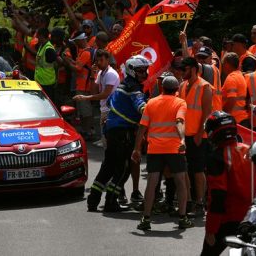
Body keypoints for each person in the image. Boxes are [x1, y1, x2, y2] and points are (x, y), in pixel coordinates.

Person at [86, 55, 150, 212]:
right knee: (123, 168)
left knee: (108, 166)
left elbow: (109, 102)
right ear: (131, 71)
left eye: (145, 70)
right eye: (141, 71)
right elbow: (141, 106)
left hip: (112, 130)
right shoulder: (133, 88)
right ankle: (111, 201)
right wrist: (154, 107)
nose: (144, 74)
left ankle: (93, 200)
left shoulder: (123, 85)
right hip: (122, 133)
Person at [133, 75, 194, 231]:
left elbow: (142, 128)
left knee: (152, 183)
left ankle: (146, 218)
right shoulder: (180, 102)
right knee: (181, 182)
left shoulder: (151, 103)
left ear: (162, 88)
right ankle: (182, 217)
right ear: (176, 90)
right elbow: (179, 122)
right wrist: (182, 140)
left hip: (155, 149)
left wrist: (137, 149)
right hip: (174, 149)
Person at [202, 111, 256, 255]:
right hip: (254, 216)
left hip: (228, 219)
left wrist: (211, 229)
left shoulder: (217, 157)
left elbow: (217, 195)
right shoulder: (250, 150)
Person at [178, 57, 213, 214]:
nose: (181, 72)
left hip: (198, 136)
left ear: (192, 69)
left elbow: (206, 114)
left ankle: (200, 202)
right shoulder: (182, 85)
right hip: (184, 136)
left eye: (184, 69)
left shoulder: (204, 86)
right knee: (186, 170)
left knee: (198, 171)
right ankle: (190, 200)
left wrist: (200, 133)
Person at [72, 49, 119, 148]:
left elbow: (104, 94)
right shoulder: (101, 73)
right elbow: (94, 92)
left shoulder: (110, 73)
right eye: (97, 61)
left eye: (101, 60)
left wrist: (84, 98)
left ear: (107, 60)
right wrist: (92, 76)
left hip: (111, 110)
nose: (98, 63)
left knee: (109, 142)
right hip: (104, 109)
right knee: (106, 141)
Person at [62, 32, 95, 139]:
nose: (75, 44)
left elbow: (77, 68)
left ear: (81, 40)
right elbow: (78, 64)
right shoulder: (84, 52)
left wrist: (67, 62)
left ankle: (88, 131)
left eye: (76, 42)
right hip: (81, 85)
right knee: (83, 109)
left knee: (86, 110)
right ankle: (86, 130)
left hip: (84, 86)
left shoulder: (86, 53)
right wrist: (69, 59)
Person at [220, 52, 249, 126]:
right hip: (242, 120)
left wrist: (222, 115)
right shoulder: (240, 76)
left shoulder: (231, 78)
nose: (222, 67)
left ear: (227, 64)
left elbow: (232, 100)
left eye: (223, 64)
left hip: (236, 120)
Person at [195, 46, 222, 111]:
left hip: (212, 111)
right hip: (211, 110)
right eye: (199, 57)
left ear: (210, 58)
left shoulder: (211, 69)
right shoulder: (207, 69)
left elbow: (191, 65)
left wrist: (184, 43)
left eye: (204, 57)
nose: (201, 60)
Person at [34, 28, 57, 100]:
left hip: (47, 82)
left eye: (38, 35)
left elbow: (55, 64)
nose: (36, 37)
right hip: (40, 80)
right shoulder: (42, 46)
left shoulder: (49, 49)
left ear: (41, 36)